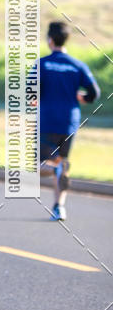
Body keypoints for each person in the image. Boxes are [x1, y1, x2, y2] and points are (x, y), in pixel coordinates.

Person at [38, 21, 100, 221]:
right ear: (66, 39)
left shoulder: (42, 63)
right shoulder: (77, 65)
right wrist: (82, 97)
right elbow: (94, 93)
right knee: (62, 163)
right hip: (69, 122)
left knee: (39, 166)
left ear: (50, 40)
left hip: (47, 121)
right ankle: (59, 207)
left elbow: (30, 90)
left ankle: (55, 170)